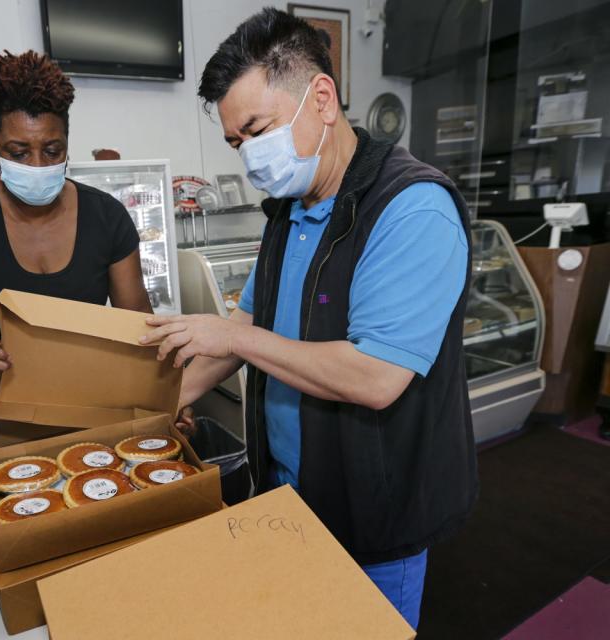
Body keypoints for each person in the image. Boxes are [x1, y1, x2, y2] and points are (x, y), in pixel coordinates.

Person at [141, 9, 478, 630]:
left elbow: (375, 377)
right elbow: (245, 328)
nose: (249, 157)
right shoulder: (286, 211)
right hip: (288, 496)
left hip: (375, 514)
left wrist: (237, 335)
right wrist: (151, 408)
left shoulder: (412, 209)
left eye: (258, 130)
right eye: (236, 144)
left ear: (321, 98)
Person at [0, 51, 151, 379]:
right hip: (0, 393)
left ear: (67, 145)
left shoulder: (107, 216)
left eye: (52, 151)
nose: (38, 166)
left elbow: (139, 320)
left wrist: (170, 388)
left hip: (90, 384)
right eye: (19, 153)